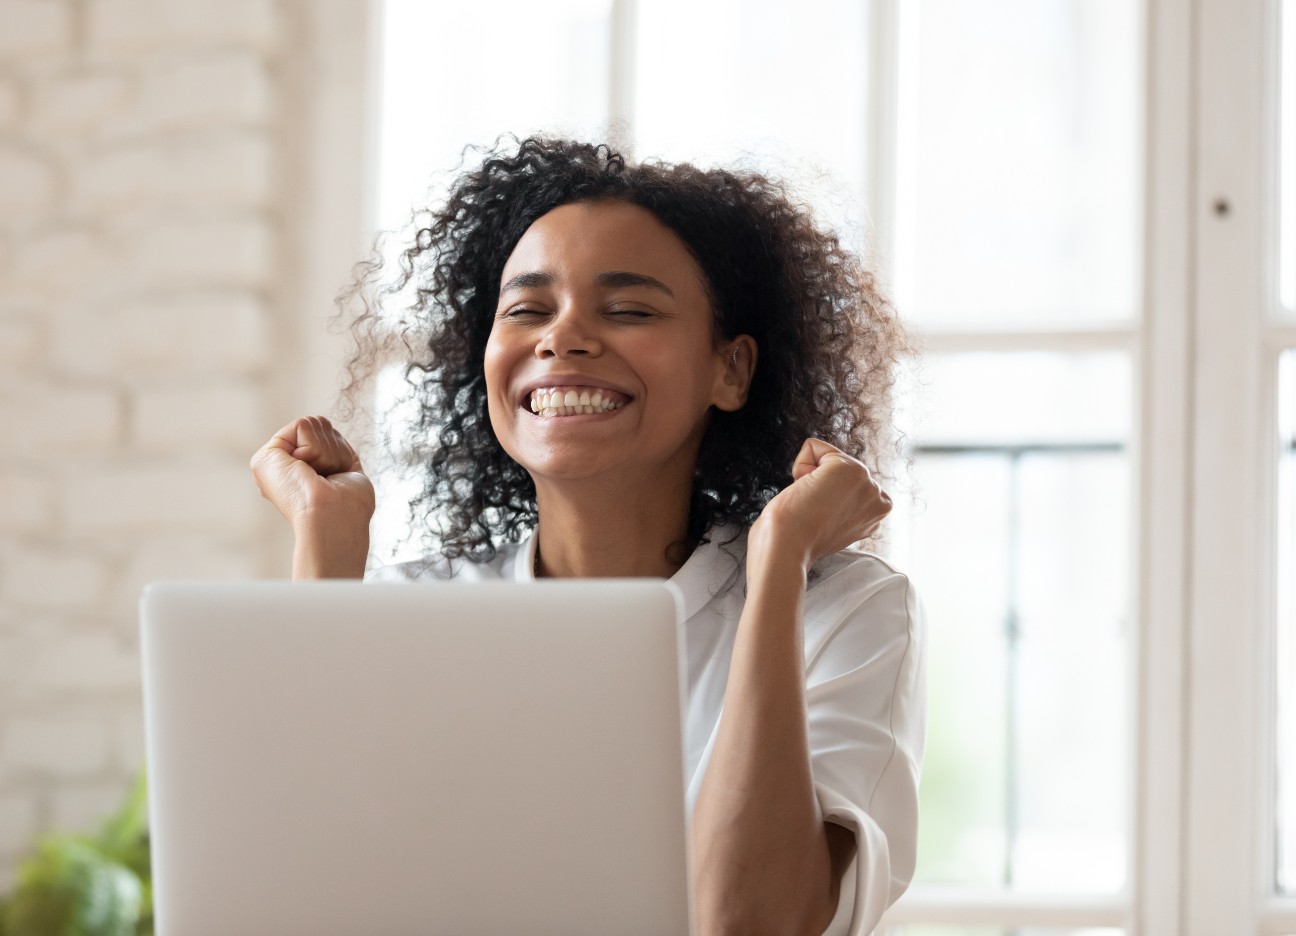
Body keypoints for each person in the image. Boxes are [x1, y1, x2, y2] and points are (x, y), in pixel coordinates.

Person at [250, 135, 926, 936]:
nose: (560, 338)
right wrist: (326, 559)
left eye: (629, 309)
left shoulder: (845, 612)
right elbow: (294, 902)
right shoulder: (408, 611)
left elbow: (750, 923)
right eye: (528, 309)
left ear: (732, 371)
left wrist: (777, 563)